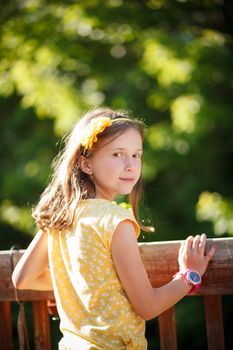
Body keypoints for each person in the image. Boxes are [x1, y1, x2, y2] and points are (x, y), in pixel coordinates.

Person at [12, 107, 216, 350]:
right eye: (118, 154)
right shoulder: (116, 222)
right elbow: (147, 307)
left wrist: (82, 284)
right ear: (86, 164)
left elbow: (22, 278)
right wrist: (189, 275)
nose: (130, 165)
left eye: (136, 155)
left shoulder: (61, 216)